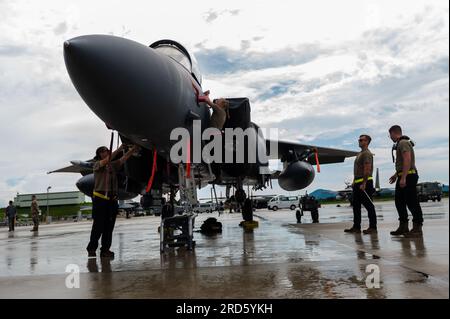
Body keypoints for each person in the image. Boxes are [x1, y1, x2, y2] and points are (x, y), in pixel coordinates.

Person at [86, 144, 139, 258]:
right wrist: (119, 149)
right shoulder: (96, 165)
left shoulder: (113, 166)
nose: (106, 152)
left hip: (111, 200)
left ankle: (105, 250)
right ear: (99, 154)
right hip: (100, 199)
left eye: (107, 150)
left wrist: (133, 149)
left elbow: (123, 159)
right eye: (103, 151)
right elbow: (107, 160)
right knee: (98, 226)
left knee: (109, 227)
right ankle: (91, 249)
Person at [388, 125, 423, 237]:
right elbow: (403, 162)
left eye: (390, 135)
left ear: (393, 133)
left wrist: (403, 177)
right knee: (399, 202)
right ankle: (403, 227)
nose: (390, 137)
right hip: (403, 175)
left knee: (412, 202)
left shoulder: (403, 143)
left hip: (409, 176)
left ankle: (417, 228)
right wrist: (396, 175)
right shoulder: (401, 143)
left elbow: (407, 159)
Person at [345, 135, 377, 234]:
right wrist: (354, 181)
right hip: (357, 183)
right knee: (356, 206)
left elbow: (367, 169)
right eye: (359, 139)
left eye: (361, 140)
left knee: (369, 205)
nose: (359, 141)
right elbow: (357, 170)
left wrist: (364, 183)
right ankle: (356, 227)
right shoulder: (360, 153)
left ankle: (373, 227)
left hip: (365, 183)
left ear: (367, 142)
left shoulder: (367, 154)